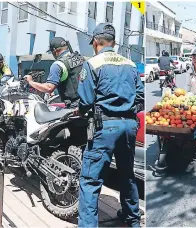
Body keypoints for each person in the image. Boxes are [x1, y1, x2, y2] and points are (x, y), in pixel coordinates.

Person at [76, 23, 144, 227]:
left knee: (90, 181)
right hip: (129, 126)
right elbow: (140, 95)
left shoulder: (93, 64)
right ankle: (133, 220)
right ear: (113, 43)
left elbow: (86, 100)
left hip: (105, 126)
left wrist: (80, 111)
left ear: (96, 42)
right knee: (127, 174)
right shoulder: (130, 64)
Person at [25, 37, 85, 108]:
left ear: (54, 50)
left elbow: (49, 88)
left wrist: (30, 82)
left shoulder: (58, 65)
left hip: (74, 106)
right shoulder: (80, 58)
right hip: (88, 102)